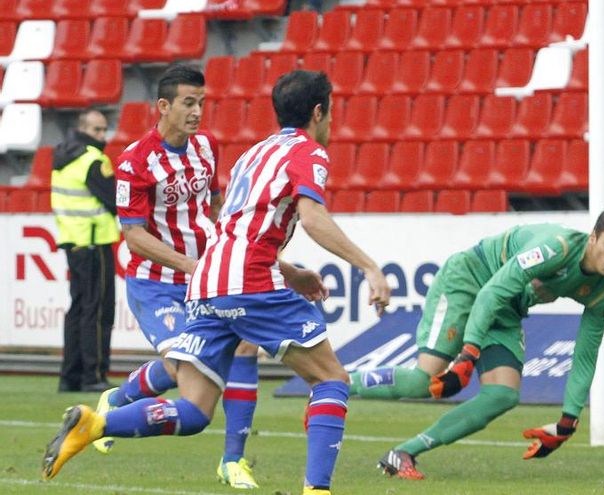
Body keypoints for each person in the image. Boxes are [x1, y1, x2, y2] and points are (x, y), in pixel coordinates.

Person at [41, 69, 392, 495]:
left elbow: (235, 228)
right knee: (331, 381)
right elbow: (313, 217)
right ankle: (316, 490)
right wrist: (368, 266)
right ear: (319, 112)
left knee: (194, 409)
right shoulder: (308, 152)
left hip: (208, 281)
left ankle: (96, 423)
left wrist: (291, 272)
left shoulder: (253, 154)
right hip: (229, 280)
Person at [348, 205, 604, 480]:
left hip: (505, 306)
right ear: (593, 238)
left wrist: (568, 419)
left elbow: (586, 355)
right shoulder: (556, 247)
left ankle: (402, 453)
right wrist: (468, 352)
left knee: (502, 395)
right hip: (469, 281)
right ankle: (335, 384)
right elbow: (491, 291)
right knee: (424, 380)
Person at [90, 65, 262, 488]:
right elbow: (133, 236)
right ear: (163, 106)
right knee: (181, 362)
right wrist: (188, 265)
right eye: (188, 102)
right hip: (155, 282)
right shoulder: (134, 161)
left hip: (204, 279)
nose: (197, 111)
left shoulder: (207, 147)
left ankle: (233, 461)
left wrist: (227, 253)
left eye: (201, 102)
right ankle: (117, 401)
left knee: (245, 347)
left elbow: (217, 207)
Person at [52, 108, 119, 394]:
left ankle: (70, 376)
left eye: (104, 130)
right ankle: (93, 374)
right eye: (97, 130)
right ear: (84, 130)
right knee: (99, 308)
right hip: (95, 242)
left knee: (79, 308)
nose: (102, 136)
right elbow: (116, 201)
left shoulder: (62, 158)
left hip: (73, 240)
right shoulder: (93, 160)